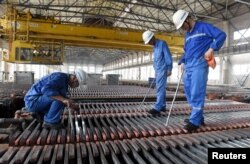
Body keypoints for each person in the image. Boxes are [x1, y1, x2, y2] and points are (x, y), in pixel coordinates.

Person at [172, 10, 226, 132]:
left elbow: (221, 35)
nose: (183, 29)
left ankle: (195, 121)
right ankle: (198, 116)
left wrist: (212, 48)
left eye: (183, 25)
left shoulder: (203, 27)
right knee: (189, 92)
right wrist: (183, 61)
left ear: (187, 19)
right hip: (189, 65)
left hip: (199, 64)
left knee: (197, 91)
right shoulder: (188, 34)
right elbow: (187, 50)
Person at [142, 30, 173, 114]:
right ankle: (162, 106)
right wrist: (155, 70)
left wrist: (169, 68)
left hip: (163, 70)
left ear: (152, 38)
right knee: (161, 89)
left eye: (149, 41)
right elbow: (156, 61)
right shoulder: (155, 47)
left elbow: (168, 56)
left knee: (159, 89)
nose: (148, 43)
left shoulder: (162, 44)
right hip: (158, 70)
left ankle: (158, 107)